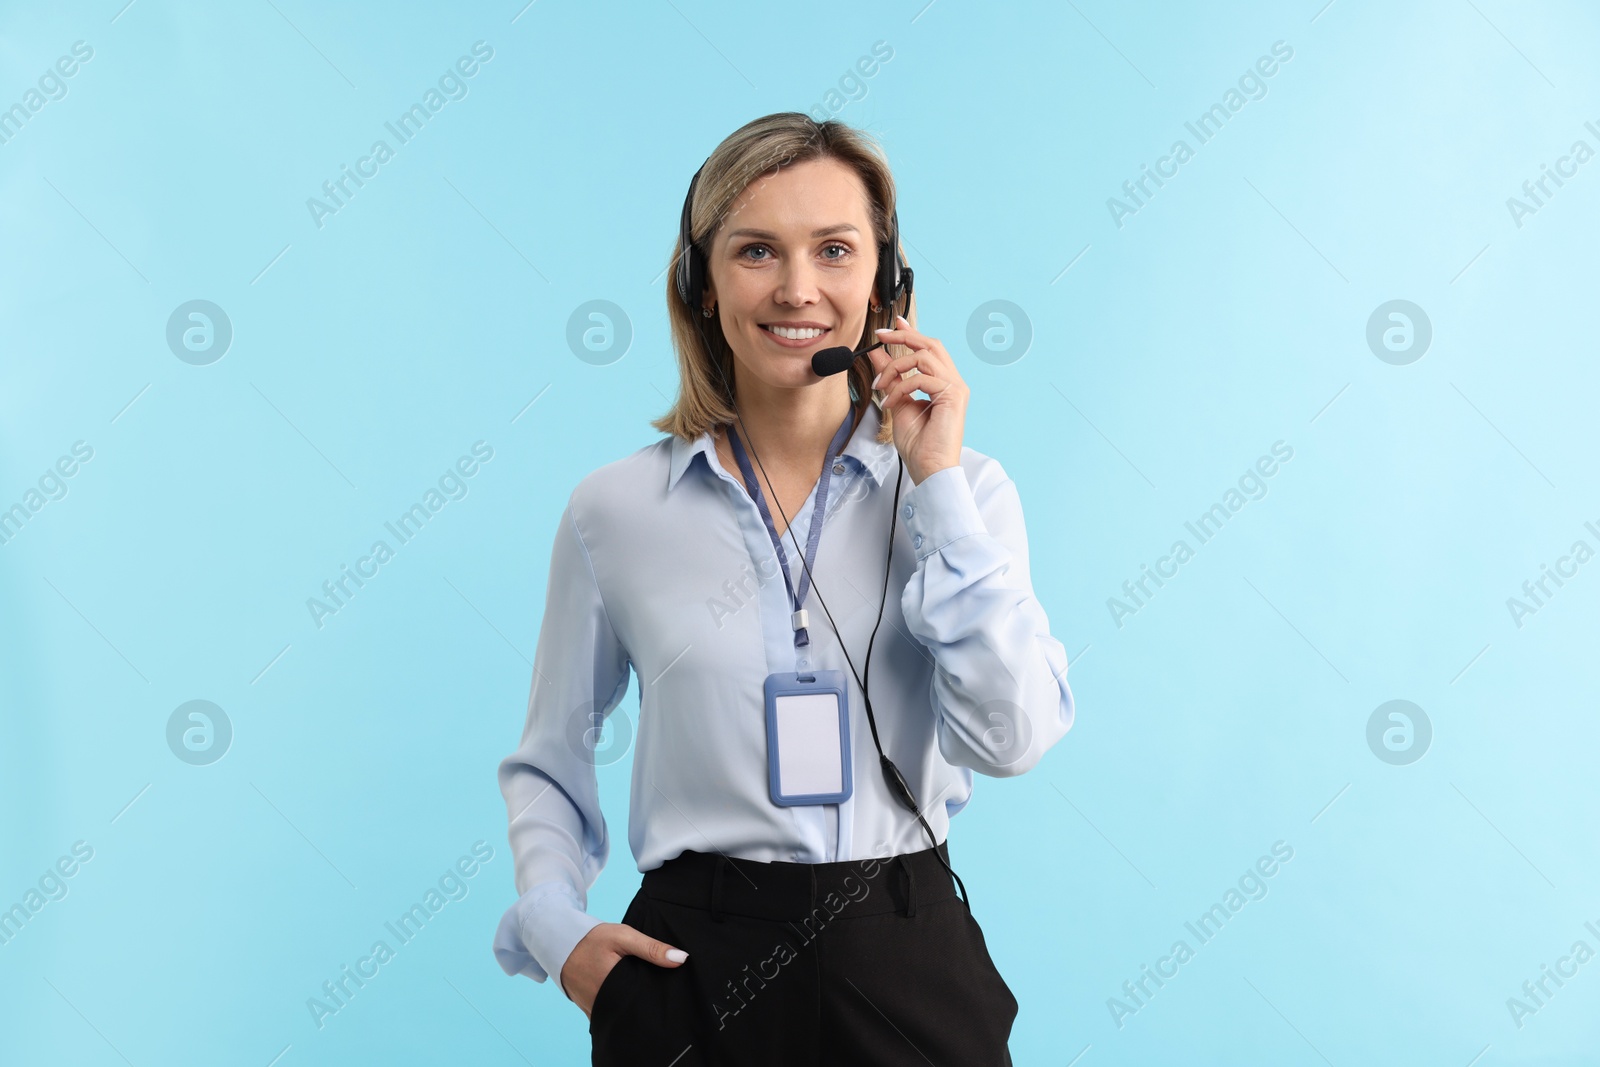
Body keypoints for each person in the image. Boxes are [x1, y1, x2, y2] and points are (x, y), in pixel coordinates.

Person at [492, 111, 1075, 1065]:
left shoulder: (967, 494)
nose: (798, 288)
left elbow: (1011, 739)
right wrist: (559, 932)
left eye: (835, 250)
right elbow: (550, 757)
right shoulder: (615, 511)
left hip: (905, 944)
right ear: (702, 284)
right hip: (696, 961)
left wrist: (936, 488)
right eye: (756, 250)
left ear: (888, 286)